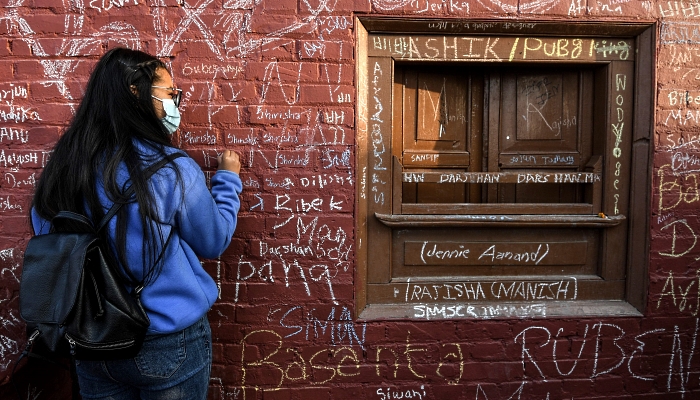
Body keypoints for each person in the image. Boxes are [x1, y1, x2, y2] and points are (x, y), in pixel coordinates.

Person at [29, 47, 242, 399]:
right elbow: (213, 240)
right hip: (165, 338)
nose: (175, 103)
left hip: (90, 338)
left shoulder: (63, 168)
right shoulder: (171, 167)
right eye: (170, 93)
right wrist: (228, 180)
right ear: (135, 91)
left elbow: (47, 237)